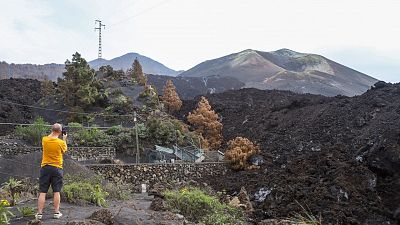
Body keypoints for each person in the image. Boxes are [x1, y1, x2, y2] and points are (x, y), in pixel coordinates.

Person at [35, 123, 67, 220]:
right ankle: (56, 213)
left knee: (42, 191)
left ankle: (39, 214)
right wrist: (64, 139)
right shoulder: (61, 142)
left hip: (45, 168)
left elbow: (50, 136)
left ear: (52, 130)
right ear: (60, 132)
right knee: (56, 191)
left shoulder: (44, 139)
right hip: (57, 168)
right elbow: (64, 150)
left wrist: (54, 131)